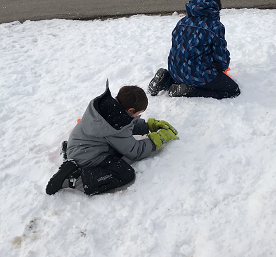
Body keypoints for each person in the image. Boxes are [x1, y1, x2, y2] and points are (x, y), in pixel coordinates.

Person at [45, 82, 178, 196]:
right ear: (131, 110)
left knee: (118, 151)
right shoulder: (115, 126)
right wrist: (156, 139)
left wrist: (148, 126)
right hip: (87, 156)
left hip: (80, 143)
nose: (139, 116)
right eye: (138, 113)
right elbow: (135, 151)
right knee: (125, 173)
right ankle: (73, 178)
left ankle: (69, 153)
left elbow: (127, 124)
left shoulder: (109, 109)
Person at [148, 0, 240, 99]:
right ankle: (190, 90)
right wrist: (220, 69)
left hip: (175, 69)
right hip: (196, 74)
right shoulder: (214, 26)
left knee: (189, 67)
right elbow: (220, 57)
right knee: (233, 90)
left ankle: (168, 78)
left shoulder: (182, 21)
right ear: (215, 6)